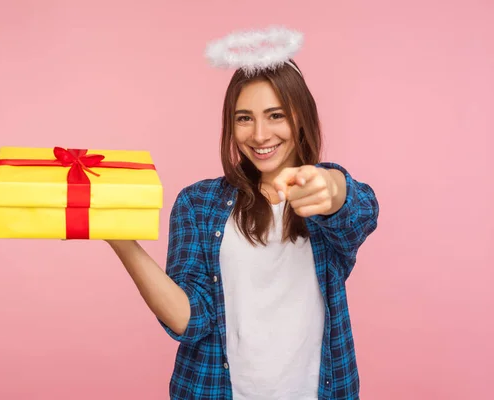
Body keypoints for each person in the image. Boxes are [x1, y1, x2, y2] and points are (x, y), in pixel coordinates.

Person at [106, 27, 379, 400]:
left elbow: (357, 211)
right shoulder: (197, 203)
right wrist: (118, 239)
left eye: (275, 115)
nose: (260, 134)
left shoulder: (319, 191)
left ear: (300, 117)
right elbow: (190, 319)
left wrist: (330, 188)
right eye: (244, 118)